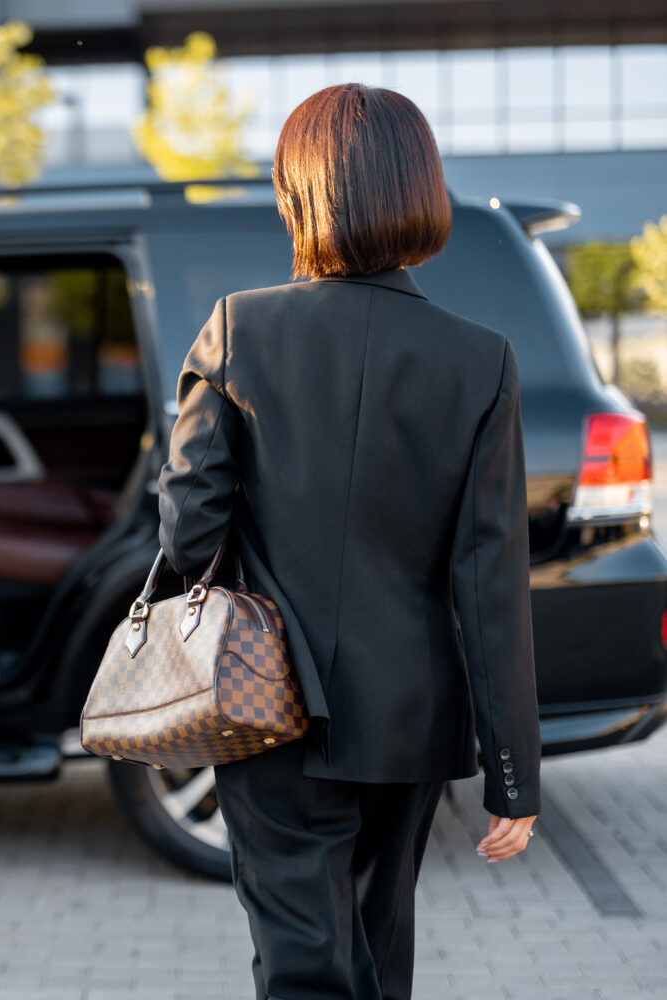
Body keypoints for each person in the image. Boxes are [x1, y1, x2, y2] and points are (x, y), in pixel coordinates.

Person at [156, 84, 539, 1000]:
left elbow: (189, 530)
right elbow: (491, 584)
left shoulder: (238, 328)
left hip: (266, 706)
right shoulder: (482, 359)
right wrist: (513, 775)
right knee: (377, 957)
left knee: (303, 967)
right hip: (412, 716)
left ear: (300, 194)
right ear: (420, 190)